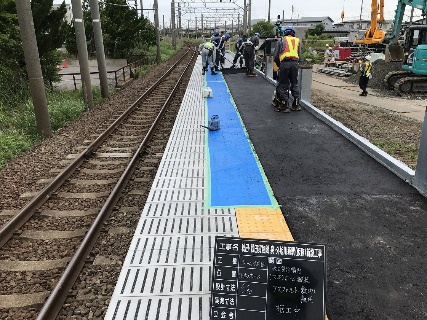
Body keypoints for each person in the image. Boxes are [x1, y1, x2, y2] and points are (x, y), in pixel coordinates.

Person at [273, 26, 302, 112]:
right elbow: (299, 55)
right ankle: (296, 105)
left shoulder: (281, 40)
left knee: (283, 84)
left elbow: (276, 56)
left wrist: (279, 65)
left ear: (285, 32)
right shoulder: (297, 40)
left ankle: (284, 105)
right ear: (293, 33)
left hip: (284, 63)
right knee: (294, 83)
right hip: (295, 63)